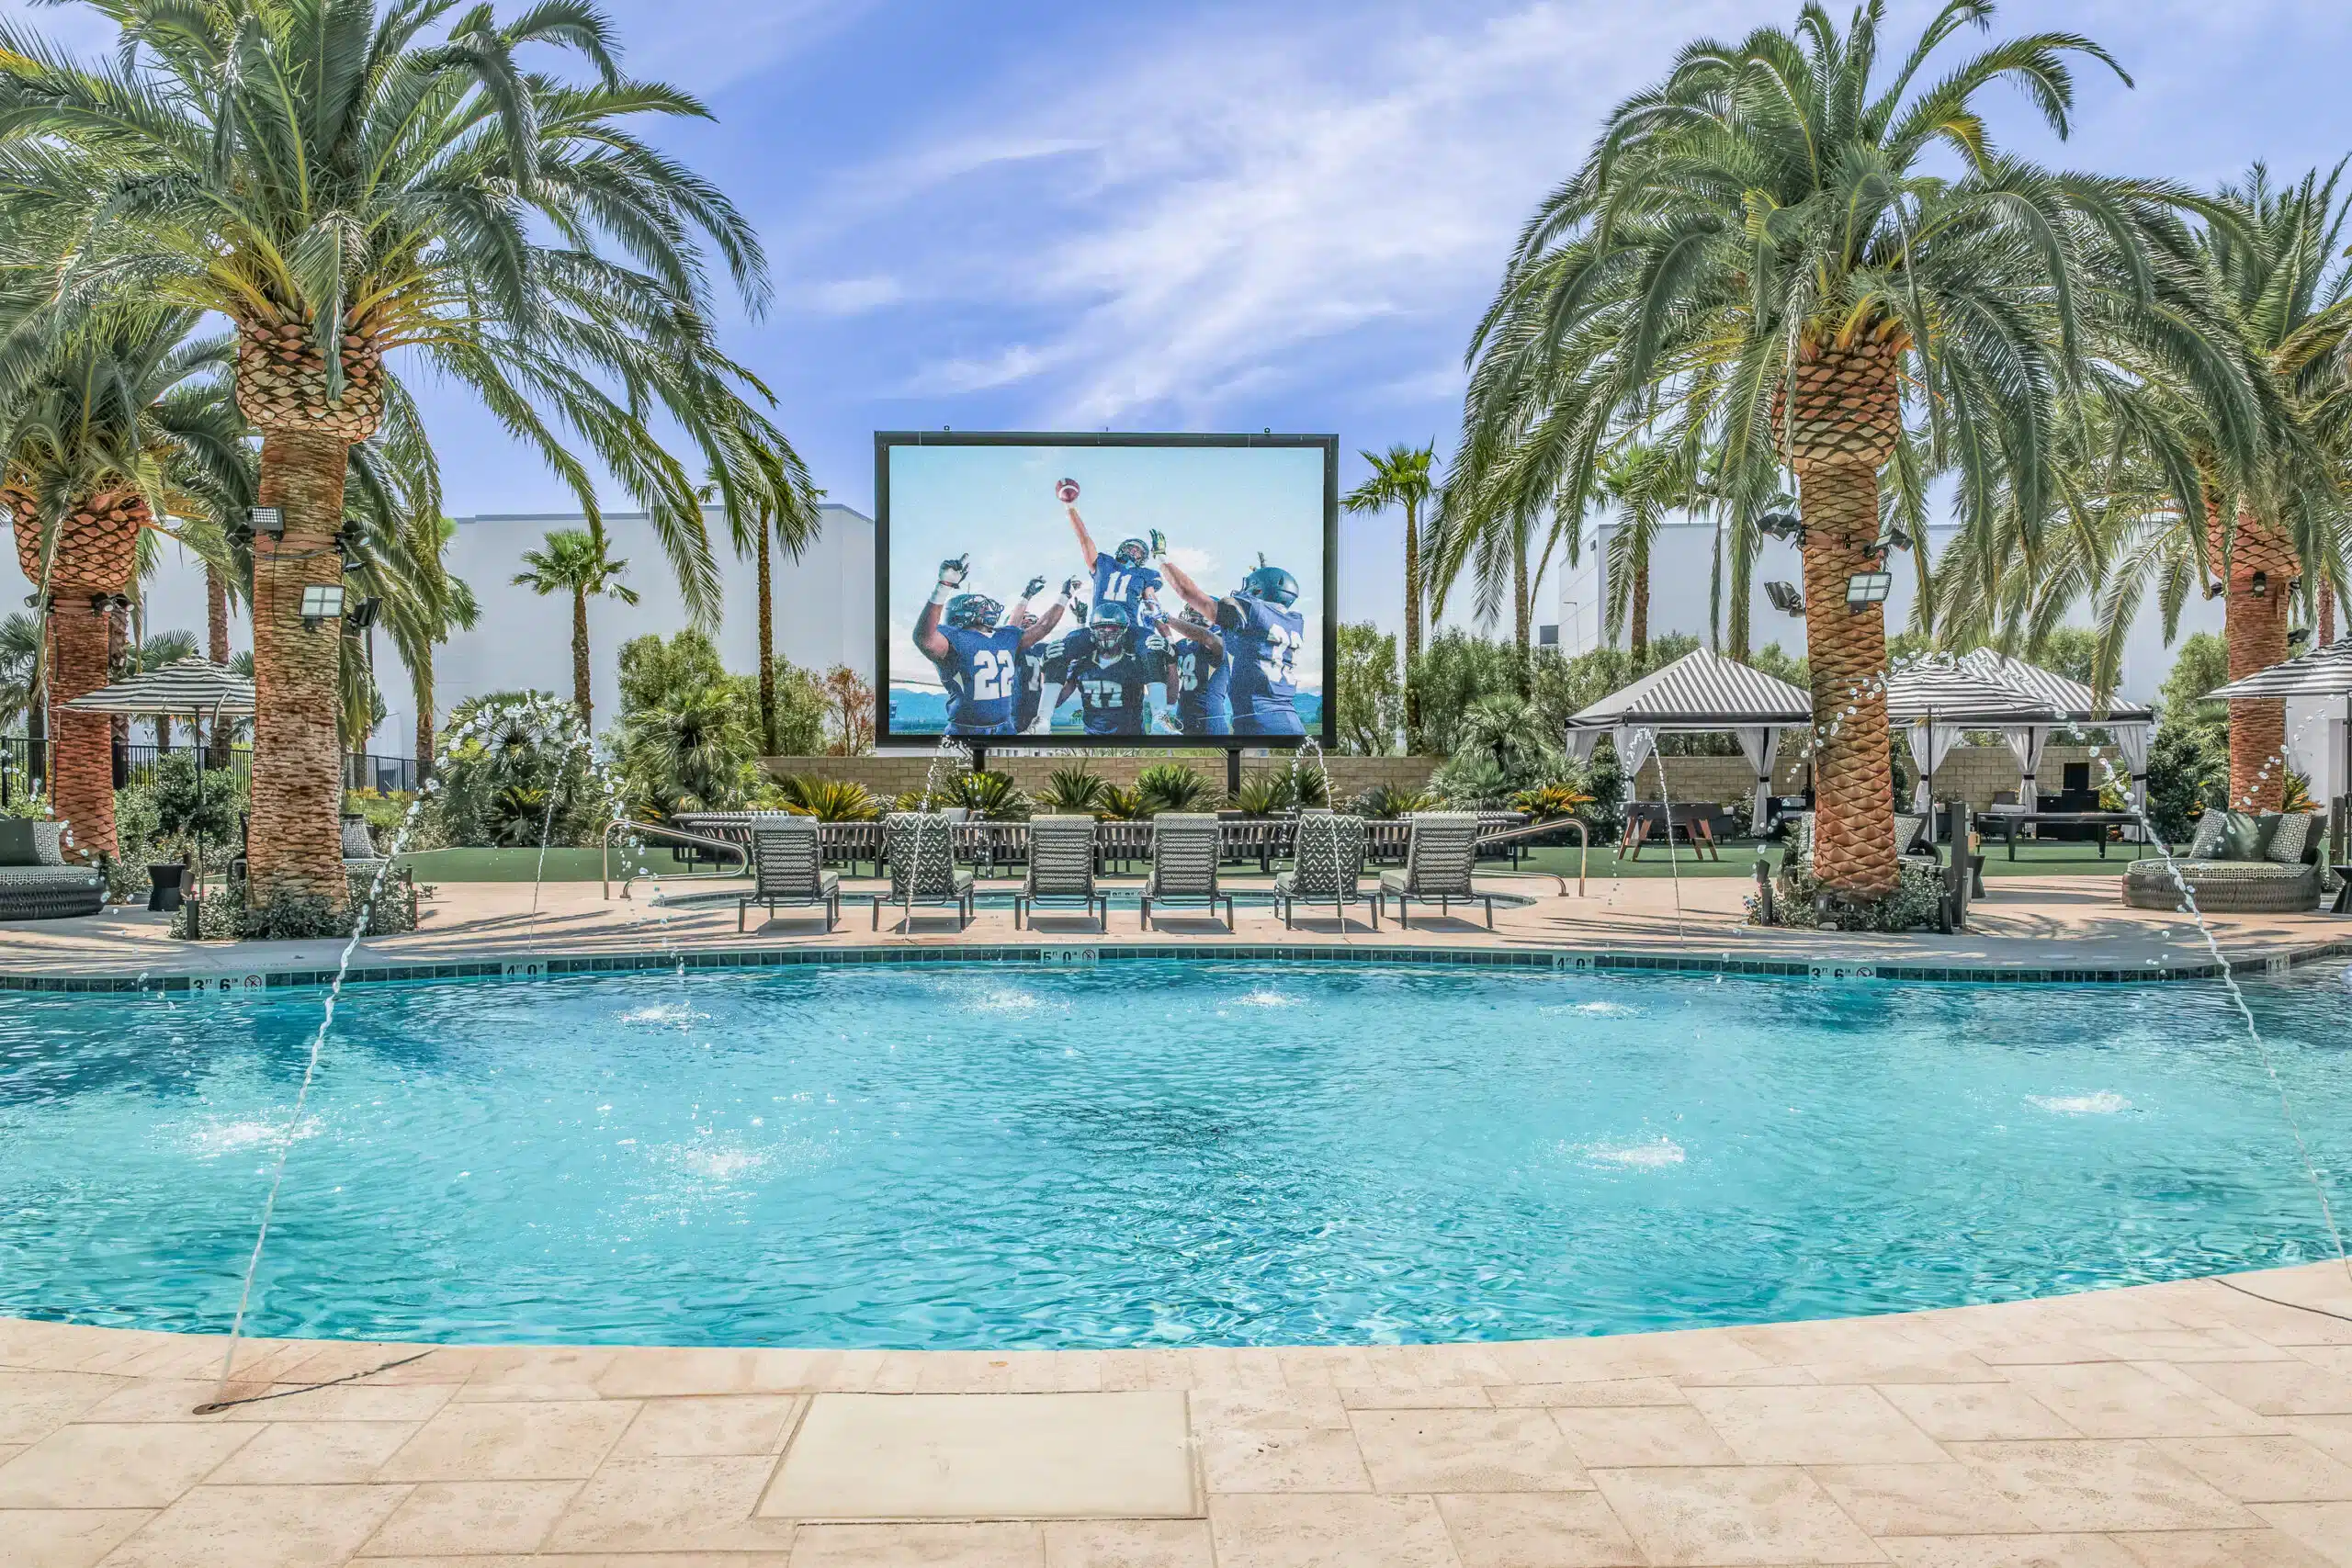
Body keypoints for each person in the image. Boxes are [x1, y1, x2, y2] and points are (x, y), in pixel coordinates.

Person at [1157, 550, 1305, 737]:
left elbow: (1188, 593)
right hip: (1291, 720)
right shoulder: (1295, 621)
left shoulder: (1253, 611)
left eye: (1251, 587)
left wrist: (1162, 559)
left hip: (1258, 720)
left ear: (1258, 590)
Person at [912, 557, 1064, 737]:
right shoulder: (955, 638)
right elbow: (924, 638)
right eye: (980, 606)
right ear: (963, 612)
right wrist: (943, 587)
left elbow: (1043, 627)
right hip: (966, 730)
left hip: (1005, 727)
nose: (988, 608)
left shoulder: (1002, 638)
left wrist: (1064, 596)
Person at [1059, 478, 1163, 631]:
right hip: (1098, 627)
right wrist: (1069, 506)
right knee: (1068, 645)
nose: (1133, 551)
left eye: (1138, 551)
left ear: (1143, 559)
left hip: (1130, 629)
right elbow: (1084, 538)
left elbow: (1154, 606)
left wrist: (1168, 641)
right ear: (1121, 549)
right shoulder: (1104, 563)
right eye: (1130, 548)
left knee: (1150, 649)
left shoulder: (1146, 574)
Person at [1053, 603, 1162, 736]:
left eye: (1113, 630)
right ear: (1092, 630)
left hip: (1132, 740)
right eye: (1102, 629)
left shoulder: (1135, 661)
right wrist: (1045, 668)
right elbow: (1056, 701)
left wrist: (1171, 661)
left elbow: (1171, 697)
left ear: (1124, 631)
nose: (1107, 635)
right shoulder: (1082, 662)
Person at [1158, 604, 1233, 736]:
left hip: (1208, 717)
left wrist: (1167, 619)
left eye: (1195, 612)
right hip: (1182, 715)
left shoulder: (1219, 637)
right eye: (1189, 612)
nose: (1190, 616)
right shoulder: (1183, 644)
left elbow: (1207, 638)